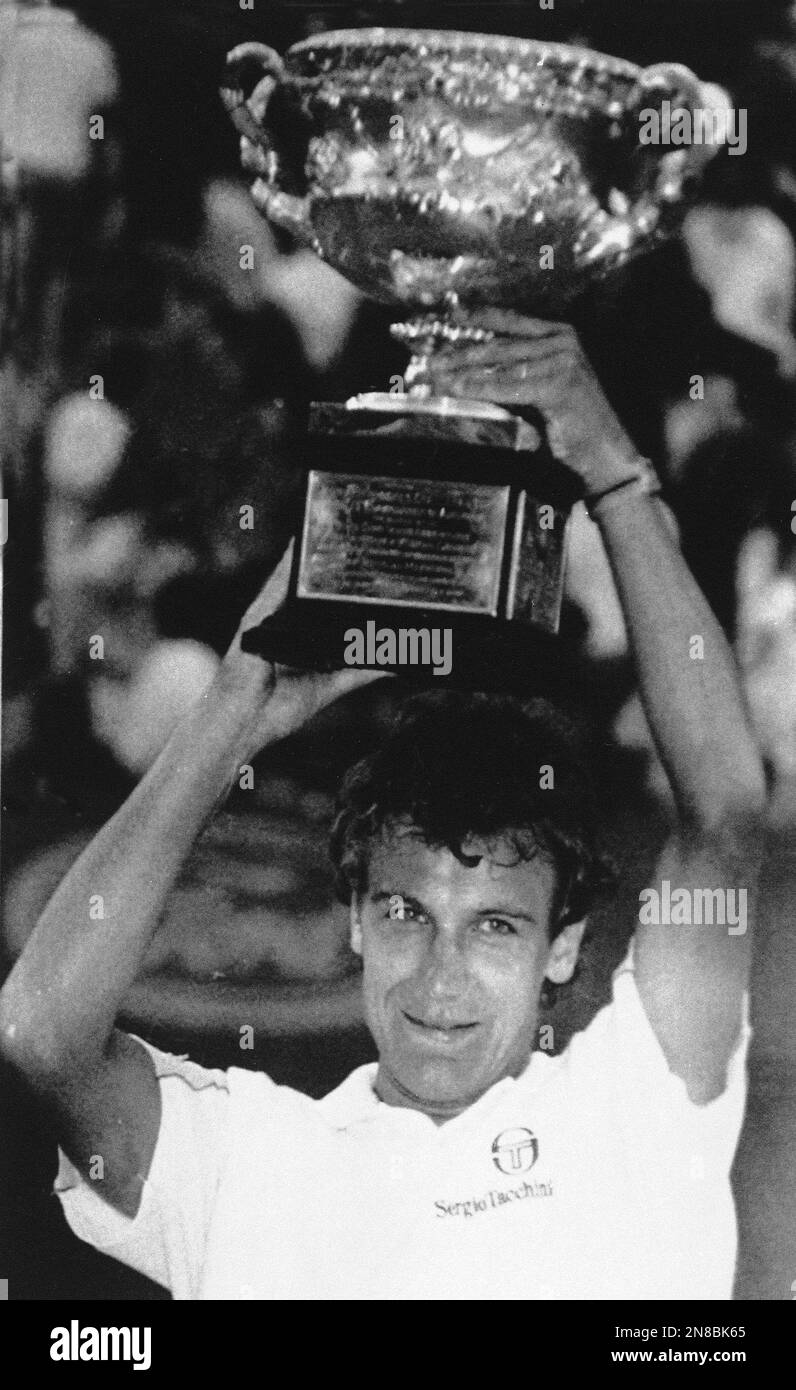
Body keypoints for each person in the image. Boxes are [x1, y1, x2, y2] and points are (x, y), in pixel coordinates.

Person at [0, 315, 767, 1300]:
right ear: (355, 917)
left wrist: (608, 466)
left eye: (494, 924)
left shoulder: (637, 1097)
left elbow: (727, 815)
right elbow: (40, 1032)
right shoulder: (250, 1160)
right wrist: (237, 702)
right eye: (408, 912)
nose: (439, 976)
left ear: (563, 945)